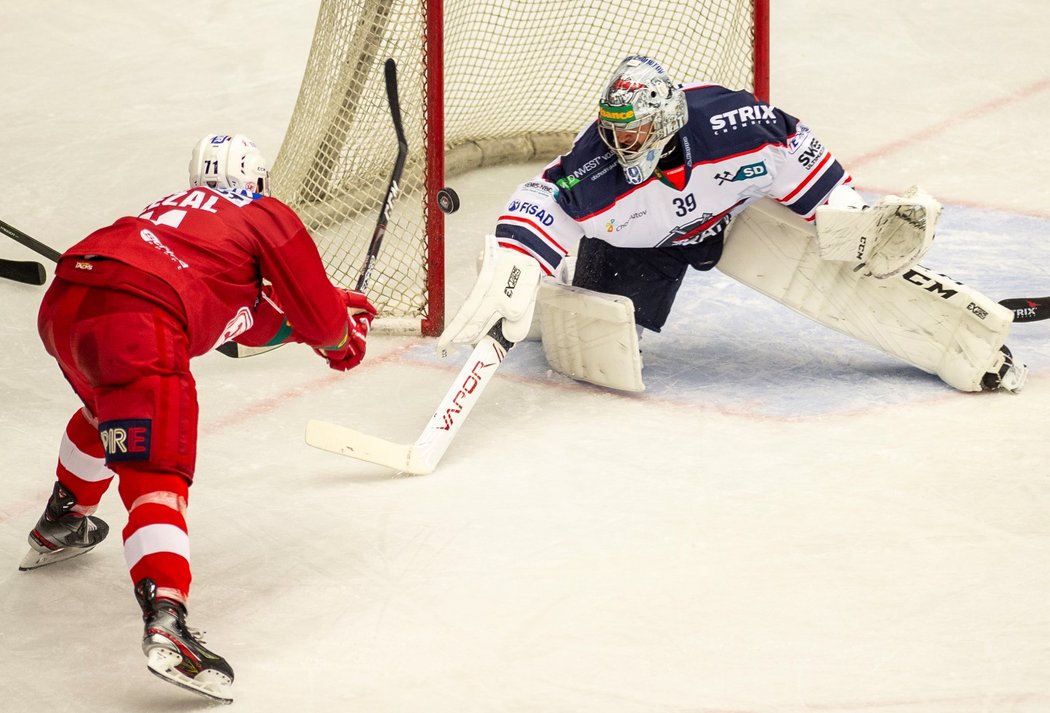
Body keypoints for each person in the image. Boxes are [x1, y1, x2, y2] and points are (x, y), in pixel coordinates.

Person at [20, 134, 375, 703]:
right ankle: (168, 622)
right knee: (156, 474)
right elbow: (309, 303)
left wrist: (314, 325)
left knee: (106, 409)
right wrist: (337, 339)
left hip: (70, 301)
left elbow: (242, 312)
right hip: (141, 317)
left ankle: (64, 520)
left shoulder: (174, 213)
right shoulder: (262, 213)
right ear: (256, 181)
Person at [439, 55, 1027, 394]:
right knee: (605, 352)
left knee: (845, 264)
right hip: (645, 246)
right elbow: (546, 196)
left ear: (667, 119)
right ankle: (546, 294)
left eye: (634, 131)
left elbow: (798, 149)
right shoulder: (594, 168)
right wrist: (519, 256)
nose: (622, 143)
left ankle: (965, 347)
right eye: (615, 131)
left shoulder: (735, 127)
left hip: (736, 213)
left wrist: (846, 218)